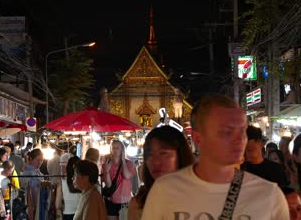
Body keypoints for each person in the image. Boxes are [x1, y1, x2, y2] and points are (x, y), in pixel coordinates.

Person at [141, 94, 289, 219]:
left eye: (242, 131)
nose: (238, 139)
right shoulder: (165, 190)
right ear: (198, 138)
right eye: (227, 131)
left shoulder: (269, 195)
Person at [128, 126, 194, 220]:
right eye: (150, 154)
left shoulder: (199, 196)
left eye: (163, 153)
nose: (156, 162)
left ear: (180, 155)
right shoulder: (139, 204)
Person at [102, 140, 136, 220]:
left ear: (122, 150)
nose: (115, 150)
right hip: (111, 199)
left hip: (124, 200)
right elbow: (108, 185)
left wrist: (123, 160)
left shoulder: (129, 163)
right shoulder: (106, 164)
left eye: (117, 148)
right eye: (113, 148)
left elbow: (127, 176)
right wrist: (106, 171)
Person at [56, 155, 81, 220]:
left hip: (67, 214)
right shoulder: (83, 181)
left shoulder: (61, 182)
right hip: (81, 213)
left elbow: (57, 205)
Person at [21, 148, 44, 219]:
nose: (40, 163)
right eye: (37, 160)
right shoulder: (26, 173)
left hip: (40, 205)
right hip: (32, 207)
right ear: (30, 158)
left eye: (41, 160)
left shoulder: (39, 172)